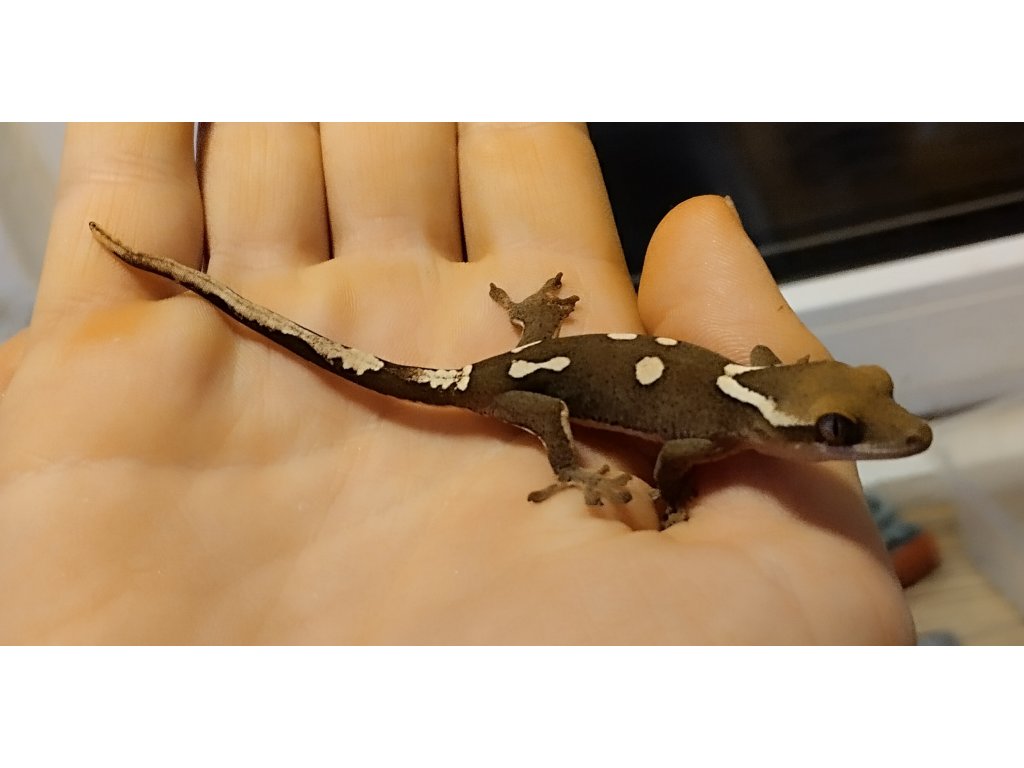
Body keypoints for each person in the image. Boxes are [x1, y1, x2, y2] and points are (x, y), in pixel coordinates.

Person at [0, 123, 913, 643]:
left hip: (541, 361)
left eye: (852, 421)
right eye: (845, 428)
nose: (896, 435)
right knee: (544, 402)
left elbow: (746, 383)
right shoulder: (715, 435)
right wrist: (627, 484)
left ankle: (538, 340)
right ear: (793, 423)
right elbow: (674, 457)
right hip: (519, 385)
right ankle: (562, 453)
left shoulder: (750, 398)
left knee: (549, 371)